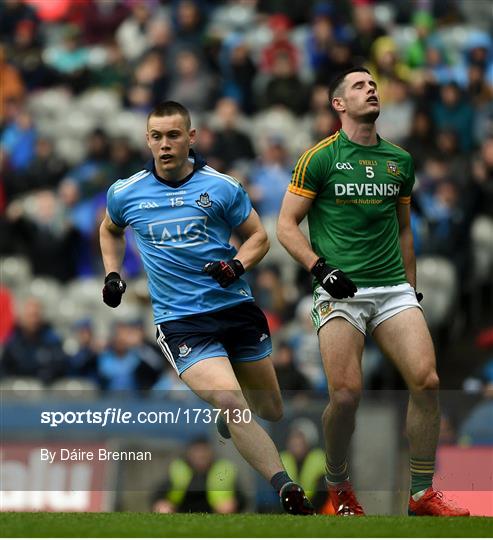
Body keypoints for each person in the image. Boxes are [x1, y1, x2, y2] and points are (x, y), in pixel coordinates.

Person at [99, 100, 314, 515]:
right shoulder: (125, 193)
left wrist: (237, 265)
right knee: (232, 401)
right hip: (181, 322)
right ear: (147, 140)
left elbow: (258, 237)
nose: (165, 144)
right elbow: (110, 230)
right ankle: (286, 487)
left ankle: (230, 416)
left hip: (235, 309)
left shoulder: (222, 187)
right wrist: (113, 274)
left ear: (191, 137)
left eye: (174, 135)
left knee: (270, 408)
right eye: (157, 136)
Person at [276, 67, 469, 517]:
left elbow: (404, 230)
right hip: (339, 291)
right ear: (339, 104)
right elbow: (285, 226)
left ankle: (421, 493)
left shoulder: (399, 160)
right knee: (345, 396)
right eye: (360, 86)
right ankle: (339, 484)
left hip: (392, 288)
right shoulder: (319, 158)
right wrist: (319, 269)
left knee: (428, 381)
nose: (371, 89)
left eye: (373, 84)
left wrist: (412, 290)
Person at [151, 437, 245, 513]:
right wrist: (161, 503)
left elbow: (242, 498)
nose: (200, 455)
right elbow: (159, 493)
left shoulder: (223, 469)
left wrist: (233, 503)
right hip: (180, 510)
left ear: (211, 453)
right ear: (189, 453)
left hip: (216, 513)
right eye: (197, 451)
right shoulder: (178, 469)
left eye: (204, 452)